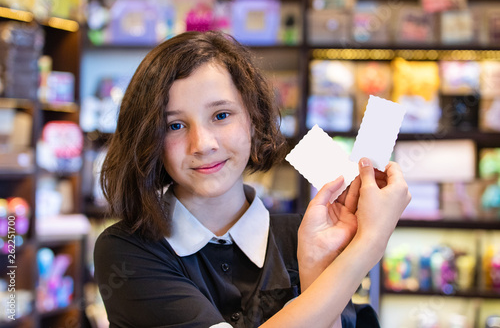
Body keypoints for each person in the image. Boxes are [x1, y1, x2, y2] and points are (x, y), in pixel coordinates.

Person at [94, 30, 411, 328]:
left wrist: (316, 269)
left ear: (255, 119)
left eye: (221, 116)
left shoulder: (308, 236)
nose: (203, 144)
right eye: (175, 125)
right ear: (148, 138)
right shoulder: (127, 251)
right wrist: (370, 241)